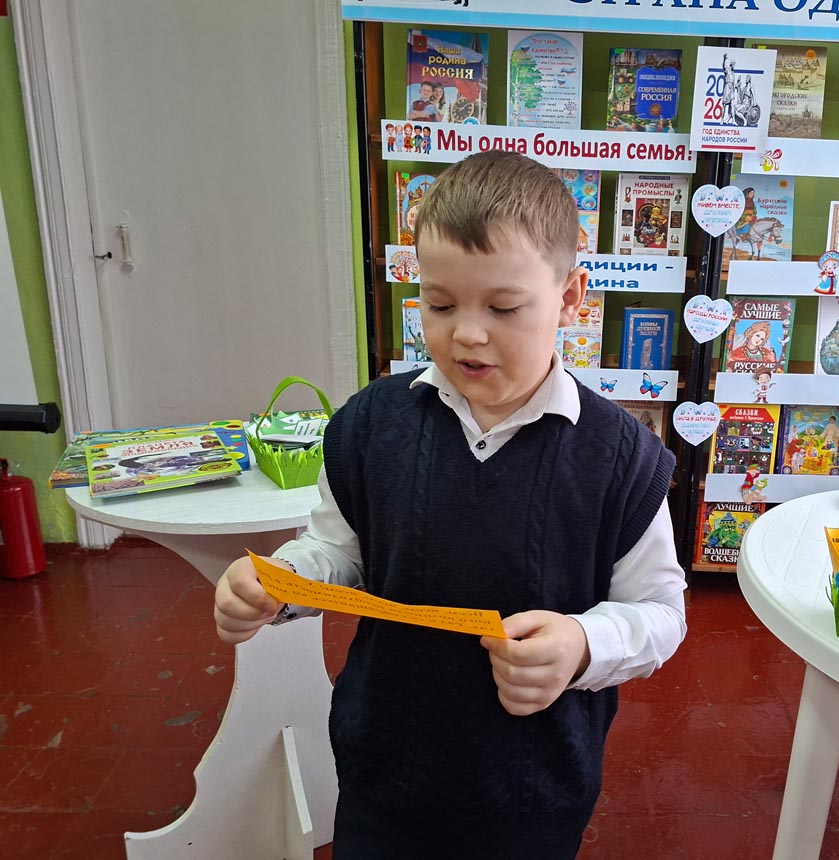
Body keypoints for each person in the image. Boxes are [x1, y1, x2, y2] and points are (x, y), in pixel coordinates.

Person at [212, 151, 687, 860]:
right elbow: (338, 552)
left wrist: (582, 644)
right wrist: (279, 583)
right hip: (384, 768)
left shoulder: (621, 457)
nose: (466, 332)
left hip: (533, 786)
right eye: (439, 304)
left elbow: (660, 613)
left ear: (569, 297)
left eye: (503, 307)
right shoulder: (371, 425)